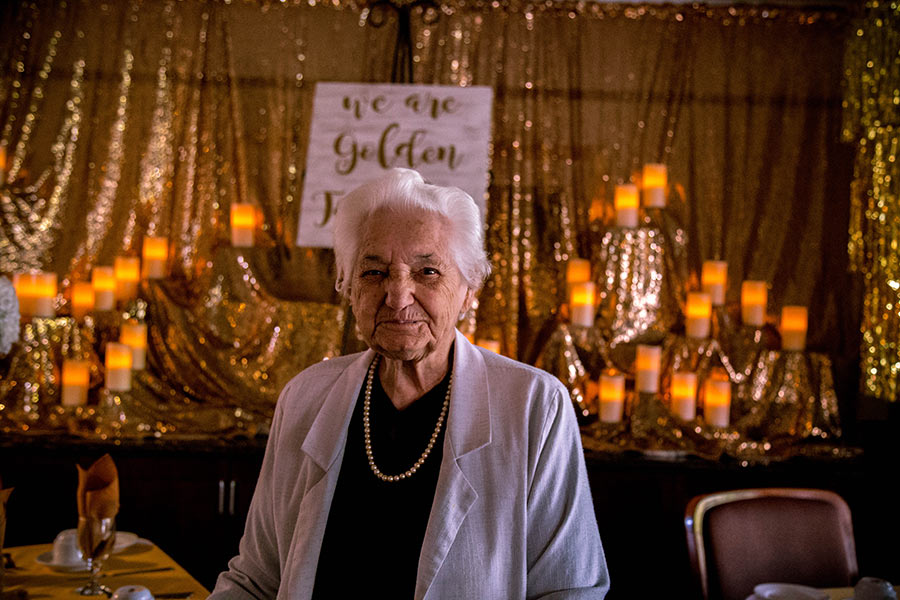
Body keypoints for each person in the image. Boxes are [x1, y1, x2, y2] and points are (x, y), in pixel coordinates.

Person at [210, 168, 609, 599]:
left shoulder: (534, 406)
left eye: (428, 272)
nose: (398, 296)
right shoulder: (305, 398)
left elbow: (570, 590)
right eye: (374, 273)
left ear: (468, 290)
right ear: (349, 288)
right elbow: (255, 580)